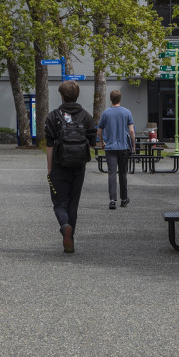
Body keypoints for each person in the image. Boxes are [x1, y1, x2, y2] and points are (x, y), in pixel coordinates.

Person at [44, 80, 97, 253]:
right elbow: (92, 142)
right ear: (77, 95)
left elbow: (50, 145)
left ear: (62, 96)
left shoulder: (53, 117)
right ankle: (70, 239)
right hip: (78, 167)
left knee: (59, 203)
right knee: (73, 203)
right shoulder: (86, 116)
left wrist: (50, 168)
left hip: (59, 165)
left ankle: (64, 225)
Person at [96, 89, 136, 209]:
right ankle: (124, 199)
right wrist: (133, 145)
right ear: (120, 99)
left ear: (111, 99)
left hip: (110, 147)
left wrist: (103, 142)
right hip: (123, 147)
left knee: (111, 173)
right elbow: (132, 131)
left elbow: (99, 131)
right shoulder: (127, 112)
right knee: (123, 173)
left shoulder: (106, 113)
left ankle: (112, 200)